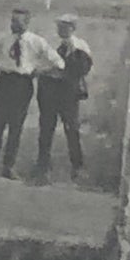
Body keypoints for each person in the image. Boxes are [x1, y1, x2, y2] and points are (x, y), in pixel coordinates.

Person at [0, 7, 64, 178]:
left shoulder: (36, 41)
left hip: (23, 84)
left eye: (17, 22)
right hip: (4, 81)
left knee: (16, 126)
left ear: (27, 23)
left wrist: (39, 71)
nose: (13, 25)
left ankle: (8, 167)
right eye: (12, 21)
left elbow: (59, 63)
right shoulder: (3, 38)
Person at [34, 14, 93, 183]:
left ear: (73, 28)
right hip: (49, 90)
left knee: (72, 129)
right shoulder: (49, 44)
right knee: (46, 128)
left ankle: (77, 166)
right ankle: (42, 166)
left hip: (69, 93)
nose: (62, 30)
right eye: (60, 26)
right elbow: (41, 65)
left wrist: (65, 70)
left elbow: (83, 68)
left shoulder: (80, 46)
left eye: (66, 26)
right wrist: (52, 71)